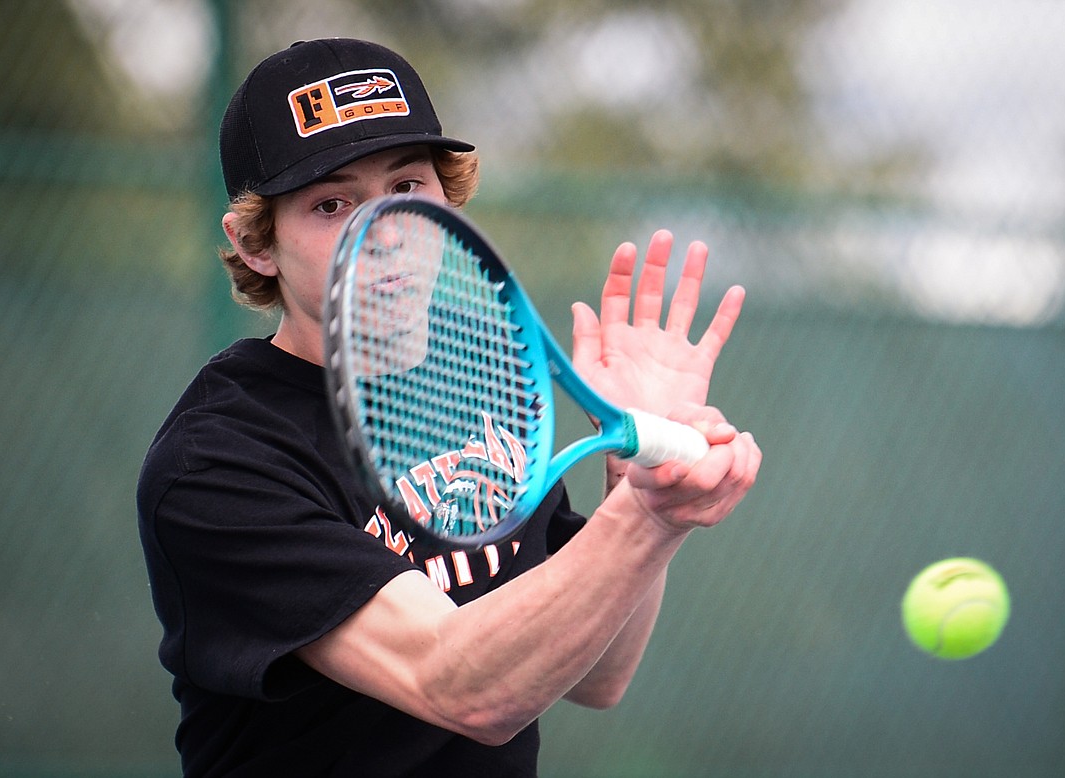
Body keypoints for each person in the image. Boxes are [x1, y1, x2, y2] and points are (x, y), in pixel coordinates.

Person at [137, 37, 762, 777]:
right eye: (333, 204)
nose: (385, 233)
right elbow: (462, 687)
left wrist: (639, 483)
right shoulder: (216, 463)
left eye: (407, 188)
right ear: (256, 243)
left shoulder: (487, 379)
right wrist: (647, 518)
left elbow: (595, 674)